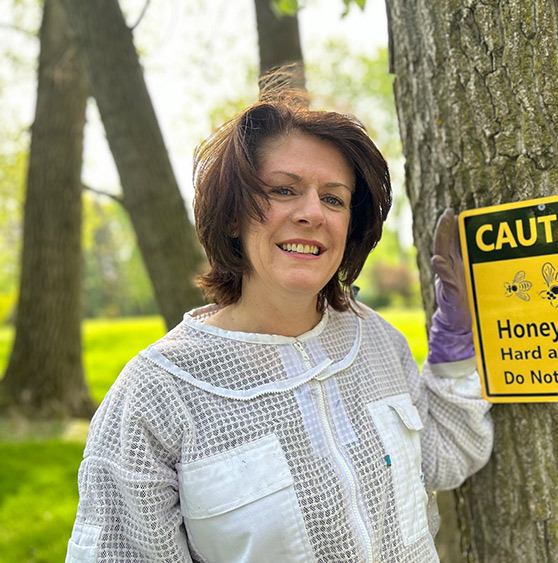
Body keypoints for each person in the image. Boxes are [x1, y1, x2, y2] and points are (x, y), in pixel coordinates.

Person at [66, 99, 493, 562]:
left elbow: (440, 458)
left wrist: (456, 350)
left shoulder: (376, 341)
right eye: (284, 190)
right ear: (232, 215)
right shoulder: (156, 395)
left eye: (334, 198)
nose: (313, 213)